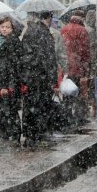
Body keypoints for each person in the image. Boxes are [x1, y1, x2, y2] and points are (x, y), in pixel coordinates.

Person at [20, 12, 61, 144]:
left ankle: (29, 132)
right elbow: (49, 57)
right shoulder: (43, 33)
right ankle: (38, 132)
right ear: (47, 18)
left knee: (31, 104)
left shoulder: (30, 31)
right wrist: (52, 78)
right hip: (42, 76)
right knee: (41, 104)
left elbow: (26, 55)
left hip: (32, 76)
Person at [0, 15, 24, 144]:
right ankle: (6, 133)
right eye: (2, 27)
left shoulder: (14, 43)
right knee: (0, 109)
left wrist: (6, 85)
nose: (4, 29)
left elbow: (11, 66)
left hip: (10, 81)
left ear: (12, 29)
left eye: (7, 27)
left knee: (10, 109)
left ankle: (14, 134)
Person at [60, 10, 91, 125]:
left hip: (66, 67)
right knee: (78, 93)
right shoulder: (82, 31)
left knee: (67, 93)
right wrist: (86, 69)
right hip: (77, 67)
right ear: (81, 18)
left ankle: (66, 117)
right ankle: (79, 117)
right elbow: (85, 52)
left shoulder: (63, 29)